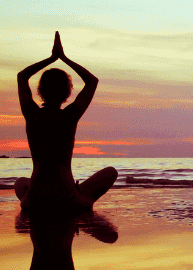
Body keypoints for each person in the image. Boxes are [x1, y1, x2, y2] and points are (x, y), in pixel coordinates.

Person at [15, 32, 117, 211]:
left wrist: (51, 58)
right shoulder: (69, 116)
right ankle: (78, 196)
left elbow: (22, 76)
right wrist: (64, 58)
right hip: (67, 200)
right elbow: (92, 81)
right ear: (68, 92)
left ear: (40, 91)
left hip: (34, 200)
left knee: (20, 183)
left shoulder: (32, 114)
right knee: (111, 172)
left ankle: (31, 196)